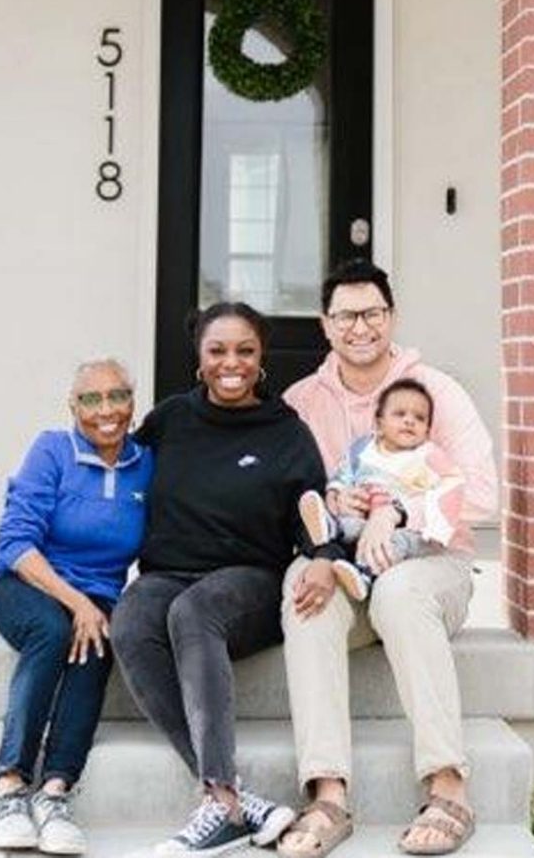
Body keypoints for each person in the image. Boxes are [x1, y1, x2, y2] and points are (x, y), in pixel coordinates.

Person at [278, 259, 498, 858]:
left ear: (391, 317)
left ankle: (448, 786)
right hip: (346, 570)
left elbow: (482, 493)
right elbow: (283, 502)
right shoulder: (301, 401)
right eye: (346, 315)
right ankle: (327, 793)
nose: (360, 327)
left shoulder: (433, 391)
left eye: (372, 313)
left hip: (429, 565)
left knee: (400, 594)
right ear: (326, 325)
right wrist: (334, 499)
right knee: (305, 584)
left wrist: (396, 509)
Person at [110, 302, 330, 856]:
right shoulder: (170, 419)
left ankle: (221, 795)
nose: (230, 363)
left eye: (245, 351)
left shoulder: (286, 431)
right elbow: (114, 469)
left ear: (261, 361)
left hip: (251, 579)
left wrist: (324, 556)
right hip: (170, 571)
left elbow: (310, 506)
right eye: (217, 351)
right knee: (133, 619)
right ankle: (230, 800)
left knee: (194, 612)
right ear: (199, 358)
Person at [0, 359, 153, 855]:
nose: (105, 411)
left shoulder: (146, 463)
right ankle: (9, 788)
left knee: (95, 645)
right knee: (53, 631)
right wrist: (77, 602)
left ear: (132, 403)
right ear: (72, 406)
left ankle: (55, 791)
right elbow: (14, 541)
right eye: (90, 399)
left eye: (116, 396)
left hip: (98, 592)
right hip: (22, 579)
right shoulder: (51, 449)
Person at [298, 377, 467, 602]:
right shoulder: (363, 448)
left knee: (396, 543)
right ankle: (331, 529)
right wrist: (336, 494)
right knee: (351, 525)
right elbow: (343, 474)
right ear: (379, 423)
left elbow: (452, 485)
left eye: (419, 418)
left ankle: (365, 574)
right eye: (400, 414)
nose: (409, 421)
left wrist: (405, 511)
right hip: (365, 517)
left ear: (427, 429)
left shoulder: (429, 455)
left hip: (408, 529)